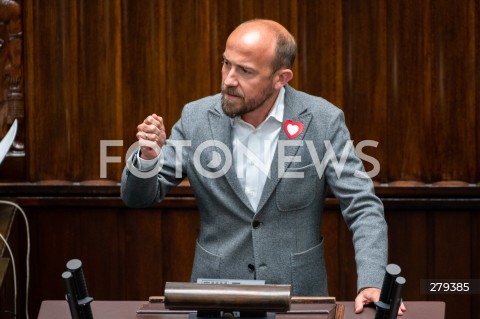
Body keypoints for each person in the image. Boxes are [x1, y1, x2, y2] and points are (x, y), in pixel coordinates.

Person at [121, 19, 405, 315]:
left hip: (298, 302)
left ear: (280, 78)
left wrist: (373, 281)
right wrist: (148, 157)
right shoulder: (196, 119)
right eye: (226, 64)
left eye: (245, 71)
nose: (229, 79)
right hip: (216, 301)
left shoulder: (322, 121)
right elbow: (137, 197)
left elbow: (362, 206)